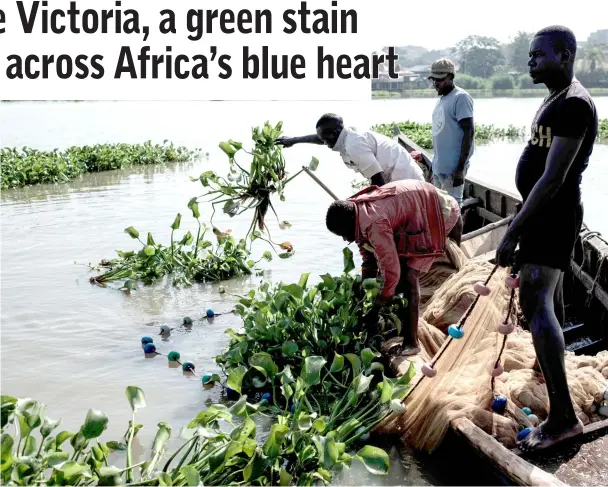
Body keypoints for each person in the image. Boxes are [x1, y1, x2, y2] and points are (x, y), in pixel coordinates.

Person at [496, 25, 598, 451]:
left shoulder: (574, 104)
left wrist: (512, 231)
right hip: (544, 216)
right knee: (547, 302)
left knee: (536, 303)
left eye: (539, 55)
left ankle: (563, 419)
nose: (530, 61)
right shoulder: (557, 96)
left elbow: (553, 179)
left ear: (565, 54)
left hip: (551, 217)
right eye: (530, 55)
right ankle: (548, 372)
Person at [325, 179, 462, 356]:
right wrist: (364, 289)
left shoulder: (374, 222)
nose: (345, 239)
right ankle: (405, 326)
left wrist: (376, 308)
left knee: (408, 277)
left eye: (344, 234)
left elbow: (392, 272)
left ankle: (412, 342)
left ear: (350, 222)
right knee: (399, 272)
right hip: (418, 207)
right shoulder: (357, 213)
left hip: (440, 212)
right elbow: (369, 257)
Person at [276, 113, 424, 186]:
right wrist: (294, 141)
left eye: (325, 138)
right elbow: (319, 138)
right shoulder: (344, 137)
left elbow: (378, 180)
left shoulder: (354, 145)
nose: (323, 142)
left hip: (406, 180)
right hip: (395, 178)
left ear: (333, 134)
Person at [411, 59, 475, 206]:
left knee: (451, 211)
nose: (435, 84)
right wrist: (434, 165)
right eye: (433, 80)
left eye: (439, 80)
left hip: (453, 171)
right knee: (439, 211)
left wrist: (460, 169)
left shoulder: (461, 98)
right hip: (439, 168)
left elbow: (469, 132)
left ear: (451, 77)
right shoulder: (441, 100)